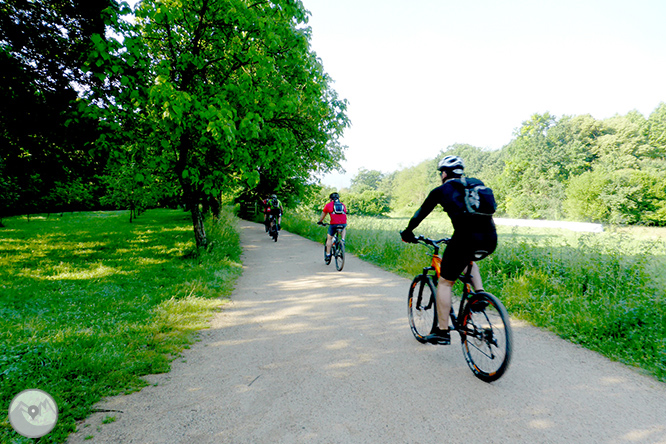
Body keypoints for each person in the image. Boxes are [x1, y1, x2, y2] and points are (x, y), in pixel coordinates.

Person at [400, 155, 497, 345]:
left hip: (465, 239)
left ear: (444, 173)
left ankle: (442, 331)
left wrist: (407, 232)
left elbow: (420, 214)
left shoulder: (441, 190)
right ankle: (479, 296)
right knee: (469, 261)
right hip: (490, 239)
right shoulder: (476, 184)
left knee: (445, 282)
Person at [317, 192, 347, 262]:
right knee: (344, 227)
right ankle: (342, 240)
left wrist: (320, 221)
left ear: (330, 199)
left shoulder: (328, 205)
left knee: (329, 238)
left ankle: (327, 255)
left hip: (333, 224)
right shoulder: (343, 205)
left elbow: (323, 215)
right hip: (343, 223)